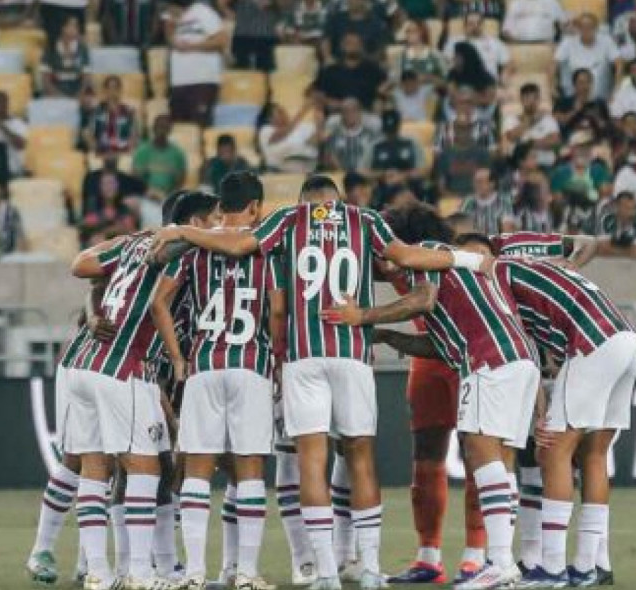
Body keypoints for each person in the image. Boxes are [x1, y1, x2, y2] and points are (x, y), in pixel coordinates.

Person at [150, 176, 493, 590]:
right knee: (360, 455)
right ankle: (369, 570)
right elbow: (405, 255)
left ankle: (325, 572)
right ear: (338, 200)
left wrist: (180, 229)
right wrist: (470, 260)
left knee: (312, 458)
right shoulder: (363, 220)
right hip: (350, 351)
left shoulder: (288, 220)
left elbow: (240, 246)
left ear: (303, 200)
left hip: (301, 356)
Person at [322, 229, 539, 590]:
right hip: (517, 358)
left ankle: (499, 562)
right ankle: (501, 563)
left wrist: (362, 316)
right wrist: (390, 337)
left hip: (489, 359)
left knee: (480, 451)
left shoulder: (425, 257)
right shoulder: (452, 276)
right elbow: (439, 344)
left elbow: (422, 300)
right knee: (496, 457)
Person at [60, 196, 209, 590]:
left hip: (86, 367)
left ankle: (98, 572)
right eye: (210, 221)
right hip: (121, 367)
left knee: (95, 469)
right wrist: (177, 359)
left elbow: (83, 266)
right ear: (194, 221)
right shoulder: (180, 246)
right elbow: (159, 300)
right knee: (145, 468)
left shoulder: (132, 241)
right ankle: (140, 574)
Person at [149, 173, 280, 590]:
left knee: (198, 470)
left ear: (221, 206)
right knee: (250, 468)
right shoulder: (267, 249)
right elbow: (278, 310)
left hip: (204, 364)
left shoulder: (193, 249)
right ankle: (244, 573)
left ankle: (193, 573)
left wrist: (177, 357)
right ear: (256, 207)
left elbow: (159, 303)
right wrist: (278, 358)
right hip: (251, 363)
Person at [497, 259, 636, 588]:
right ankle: (589, 565)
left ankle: (552, 567)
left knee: (553, 452)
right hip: (626, 339)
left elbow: (528, 354)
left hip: (593, 343)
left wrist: (540, 411)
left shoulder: (500, 277)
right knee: (594, 455)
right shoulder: (541, 270)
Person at [162, 0, 226, 125]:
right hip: (178, 82)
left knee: (199, 125)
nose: (166, 11)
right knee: (180, 128)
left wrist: (193, 47)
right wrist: (172, 23)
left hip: (202, 80)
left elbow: (221, 40)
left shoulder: (203, 12)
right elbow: (170, 41)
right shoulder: (172, 19)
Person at [555, 13, 623, 100]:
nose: (586, 30)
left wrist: (617, 89)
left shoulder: (606, 41)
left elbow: (619, 63)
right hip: (572, 99)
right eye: (583, 27)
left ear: (596, 28)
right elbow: (553, 65)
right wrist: (552, 88)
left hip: (601, 100)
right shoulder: (568, 42)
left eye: (590, 27)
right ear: (578, 28)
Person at [316, 34, 389, 112]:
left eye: (356, 44)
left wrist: (380, 97)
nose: (352, 46)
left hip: (366, 113)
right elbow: (319, 95)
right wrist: (335, 104)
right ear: (342, 46)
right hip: (338, 114)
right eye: (349, 43)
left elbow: (386, 84)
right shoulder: (330, 71)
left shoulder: (373, 69)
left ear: (361, 47)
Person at [503, 84, 561, 167]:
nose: (532, 101)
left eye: (535, 98)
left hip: (544, 164)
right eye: (527, 98)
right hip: (519, 164)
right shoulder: (511, 119)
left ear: (539, 99)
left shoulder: (549, 120)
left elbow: (555, 141)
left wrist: (529, 144)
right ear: (521, 99)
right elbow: (511, 137)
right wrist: (530, 120)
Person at [503, 0, 568, 44]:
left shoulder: (552, 1)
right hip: (519, 45)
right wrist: (515, 45)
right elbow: (507, 29)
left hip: (545, 45)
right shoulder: (516, 2)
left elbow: (563, 24)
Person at [322, 98, 383, 173]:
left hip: (366, 175)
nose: (350, 114)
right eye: (346, 111)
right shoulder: (334, 136)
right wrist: (344, 173)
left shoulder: (371, 135)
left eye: (354, 110)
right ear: (341, 114)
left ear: (360, 112)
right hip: (341, 175)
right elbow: (330, 157)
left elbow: (376, 158)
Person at [133, 114, 188, 198]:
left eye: (165, 128)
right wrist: (150, 193)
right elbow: (137, 179)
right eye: (160, 127)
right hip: (146, 197)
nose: (162, 131)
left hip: (168, 198)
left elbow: (180, 181)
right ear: (153, 128)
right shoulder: (142, 151)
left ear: (169, 130)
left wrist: (169, 195)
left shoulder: (178, 154)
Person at [257, 102, 321, 173]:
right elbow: (281, 134)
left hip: (310, 165)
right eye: (280, 112)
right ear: (269, 118)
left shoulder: (302, 127)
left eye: (284, 111)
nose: (285, 113)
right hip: (281, 170)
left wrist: (319, 124)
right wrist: (303, 110)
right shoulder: (266, 130)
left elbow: (313, 142)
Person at [84, 74, 140, 156]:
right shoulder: (96, 111)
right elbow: (89, 133)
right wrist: (96, 148)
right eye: (109, 88)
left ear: (120, 90)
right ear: (105, 90)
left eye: (115, 88)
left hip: (123, 152)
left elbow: (134, 134)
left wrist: (128, 150)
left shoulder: (129, 112)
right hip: (101, 151)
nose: (112, 91)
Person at [40, 16, 90, 97]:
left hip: (76, 88)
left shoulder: (82, 49)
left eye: (76, 26)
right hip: (56, 87)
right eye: (70, 25)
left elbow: (86, 78)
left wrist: (79, 95)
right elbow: (45, 79)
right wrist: (57, 96)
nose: (74, 29)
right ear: (62, 27)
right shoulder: (50, 48)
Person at [594, 192, 636, 256]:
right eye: (626, 207)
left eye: (633, 208)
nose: (631, 212)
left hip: (617, 249)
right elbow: (602, 248)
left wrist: (614, 251)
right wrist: (629, 252)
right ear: (617, 206)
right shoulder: (606, 218)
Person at [460, 168, 516, 234]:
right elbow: (460, 226)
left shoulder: (505, 201)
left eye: (480, 182)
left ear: (492, 184)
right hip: (473, 241)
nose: (476, 185)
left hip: (498, 242)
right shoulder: (468, 201)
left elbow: (507, 230)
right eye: (475, 182)